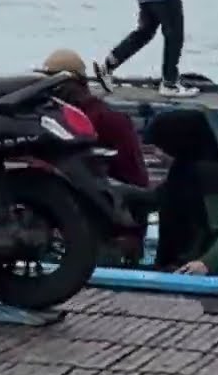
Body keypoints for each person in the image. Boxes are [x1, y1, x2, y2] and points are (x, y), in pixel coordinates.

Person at [39, 49, 149, 265]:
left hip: (108, 233)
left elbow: (136, 181)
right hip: (65, 226)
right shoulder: (52, 120)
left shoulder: (109, 121)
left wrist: (131, 236)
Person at [138, 109, 218, 276]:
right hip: (178, 268)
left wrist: (206, 263)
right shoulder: (179, 174)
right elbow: (153, 198)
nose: (157, 155)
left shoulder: (209, 175)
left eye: (162, 147)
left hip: (209, 274)